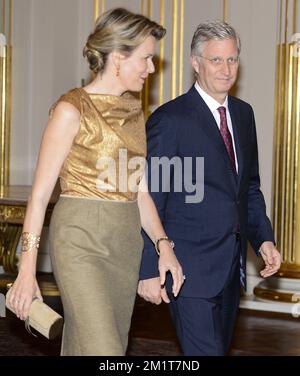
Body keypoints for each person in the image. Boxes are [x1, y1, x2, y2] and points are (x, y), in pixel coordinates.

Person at [7, 8, 184, 356]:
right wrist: (26, 272)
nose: (151, 69)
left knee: (100, 345)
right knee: (104, 349)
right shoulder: (70, 109)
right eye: (146, 58)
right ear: (118, 57)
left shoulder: (135, 111)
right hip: (80, 238)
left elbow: (140, 190)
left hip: (125, 241)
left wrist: (164, 246)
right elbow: (40, 196)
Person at [138, 20, 281, 356]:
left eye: (232, 60)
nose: (226, 69)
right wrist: (147, 270)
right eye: (216, 60)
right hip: (186, 270)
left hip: (231, 270)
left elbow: (247, 189)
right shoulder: (170, 120)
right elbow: (149, 198)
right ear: (195, 62)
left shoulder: (244, 115)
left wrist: (263, 238)